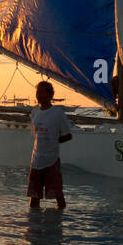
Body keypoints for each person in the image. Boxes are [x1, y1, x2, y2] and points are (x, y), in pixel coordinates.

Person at [27, 81, 71, 210]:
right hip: (36, 160)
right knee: (34, 198)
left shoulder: (57, 113)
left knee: (58, 196)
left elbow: (68, 135)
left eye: (42, 92)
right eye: (37, 92)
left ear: (50, 95)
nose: (39, 95)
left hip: (51, 160)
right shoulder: (35, 113)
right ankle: (34, 226)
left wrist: (53, 141)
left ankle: (57, 224)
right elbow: (36, 135)